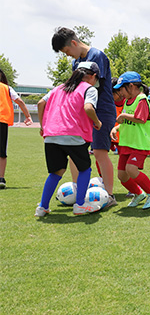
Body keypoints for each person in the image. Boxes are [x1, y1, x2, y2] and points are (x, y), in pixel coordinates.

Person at [52, 27, 117, 207]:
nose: (68, 56)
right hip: (82, 112)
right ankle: (79, 192)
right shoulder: (76, 63)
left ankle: (110, 196)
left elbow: (92, 86)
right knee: (74, 152)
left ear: (74, 43)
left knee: (99, 152)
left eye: (67, 51)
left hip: (101, 110)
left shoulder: (97, 56)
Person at [35, 62, 103, 216]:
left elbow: (40, 103)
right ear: (93, 76)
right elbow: (88, 108)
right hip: (74, 135)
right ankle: (80, 205)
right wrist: (97, 122)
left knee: (56, 172)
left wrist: (42, 126)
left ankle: (42, 207)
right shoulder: (89, 88)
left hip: (51, 135)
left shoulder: (58, 88)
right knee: (85, 168)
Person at [111, 72, 150, 209]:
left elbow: (140, 118)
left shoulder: (142, 99)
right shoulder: (128, 101)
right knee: (122, 175)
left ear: (131, 86)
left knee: (131, 169)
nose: (120, 92)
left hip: (139, 144)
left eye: (121, 88)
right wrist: (117, 128)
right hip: (127, 143)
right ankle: (138, 193)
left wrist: (122, 115)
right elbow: (129, 121)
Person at [0, 68, 33, 189]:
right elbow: (20, 101)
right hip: (1, 121)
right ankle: (1, 178)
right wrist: (28, 116)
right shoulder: (6, 88)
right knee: (2, 152)